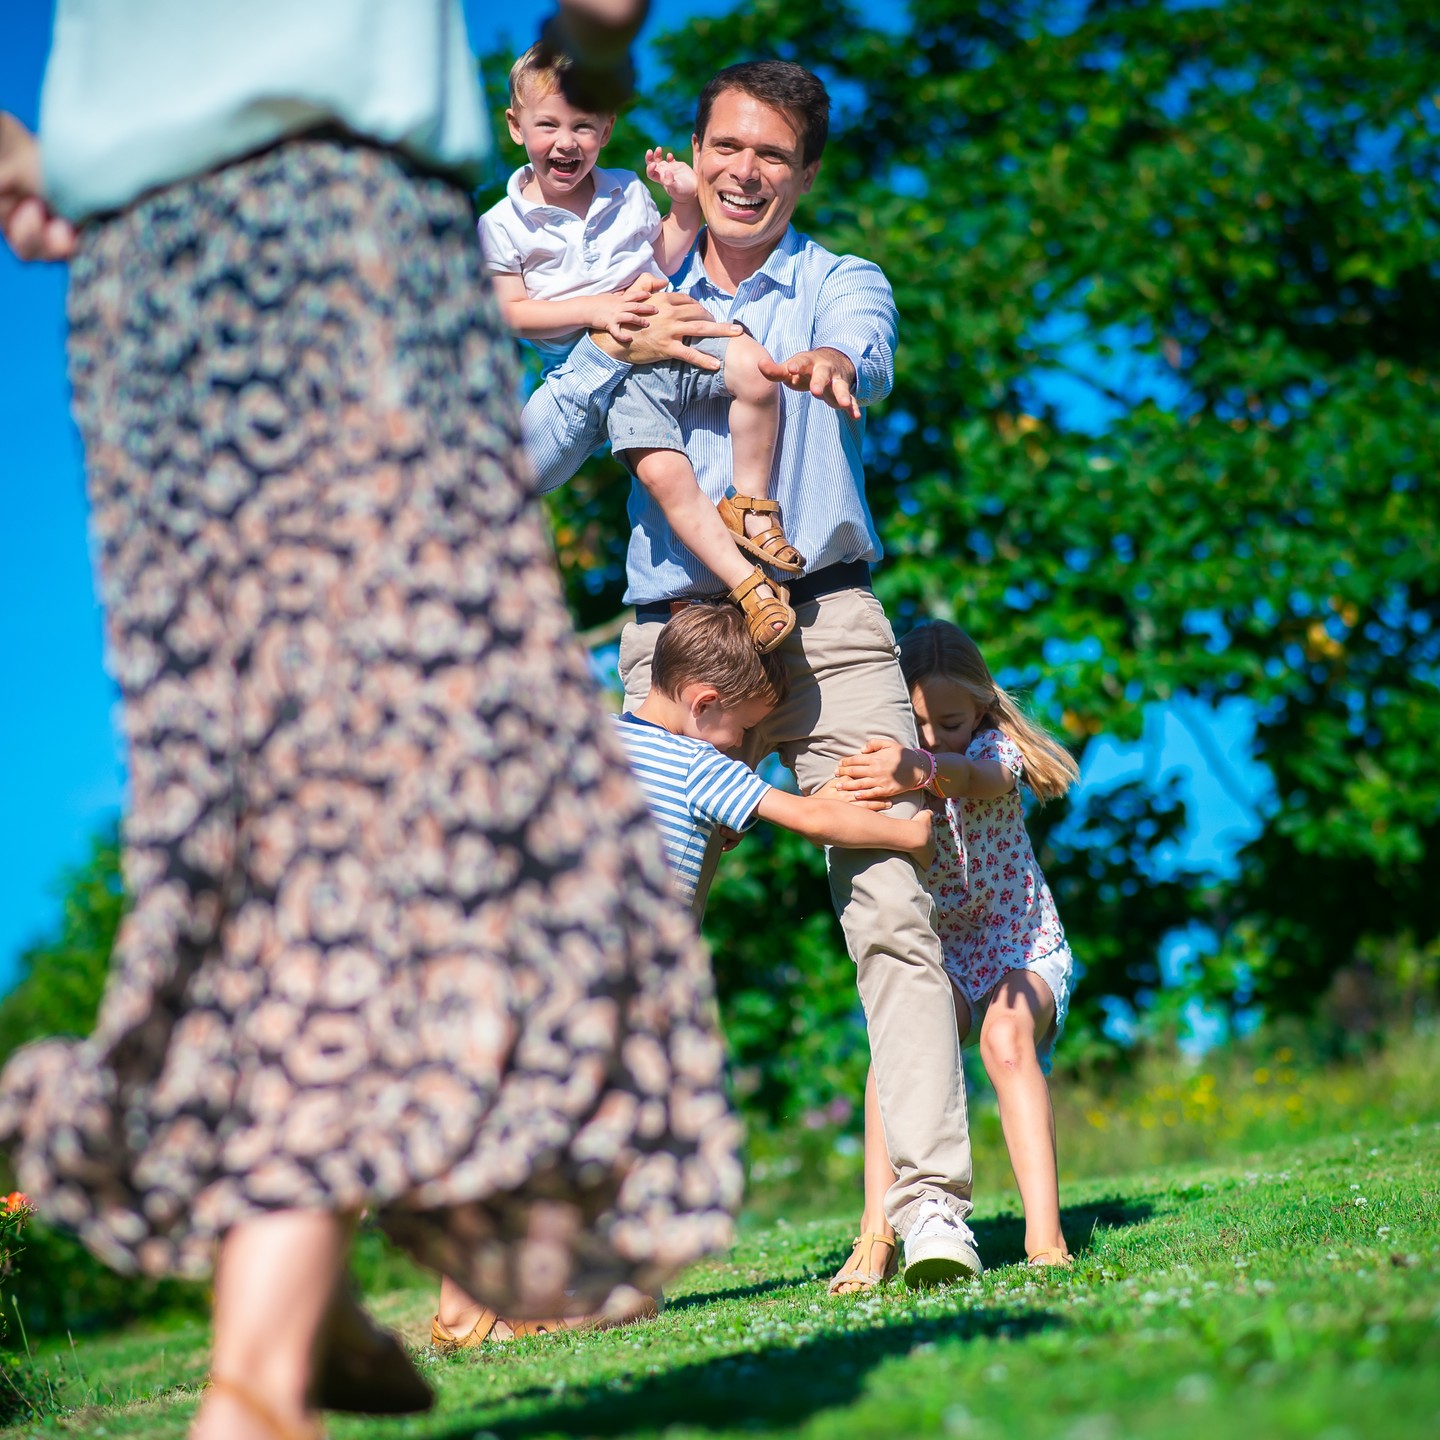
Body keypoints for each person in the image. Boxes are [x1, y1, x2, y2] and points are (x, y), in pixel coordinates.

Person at [0, 3, 744, 1438]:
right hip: (354, 241)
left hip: (140, 278)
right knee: (412, 779)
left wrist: (32, 149)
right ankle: (263, 1378)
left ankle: (292, 1272)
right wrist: (591, 57)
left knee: (244, 783)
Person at [524, 59, 984, 1288]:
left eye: (772, 155)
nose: (744, 170)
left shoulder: (837, 280)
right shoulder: (632, 283)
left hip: (827, 622)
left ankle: (932, 1210)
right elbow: (530, 456)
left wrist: (834, 363)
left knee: (892, 896)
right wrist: (603, 337)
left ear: (804, 173)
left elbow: (864, 352)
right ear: (695, 149)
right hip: (676, 653)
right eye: (727, 145)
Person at [480, 45, 805, 651]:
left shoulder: (626, 191)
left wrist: (683, 204)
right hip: (611, 369)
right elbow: (508, 311)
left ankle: (752, 504)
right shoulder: (503, 223)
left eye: (583, 126)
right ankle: (747, 586)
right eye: (548, 124)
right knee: (663, 473)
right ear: (515, 125)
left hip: (670, 330)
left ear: (606, 130)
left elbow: (662, 257)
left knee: (756, 371)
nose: (566, 141)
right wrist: (595, 312)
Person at [827, 620, 1080, 1292]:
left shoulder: (992, 752)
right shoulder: (899, 761)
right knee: (900, 1049)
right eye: (921, 724)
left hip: (1021, 946)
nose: (936, 735)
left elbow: (980, 776)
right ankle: (876, 1236)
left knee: (1005, 1039)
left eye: (952, 720)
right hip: (949, 955)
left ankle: (1045, 1240)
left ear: (981, 708)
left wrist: (926, 768)